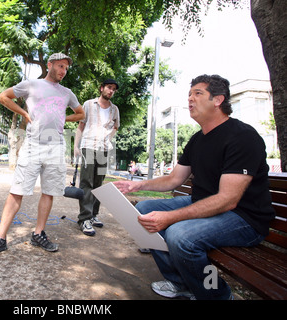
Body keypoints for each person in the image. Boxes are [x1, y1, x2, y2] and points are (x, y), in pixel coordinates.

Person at [114, 74, 275, 300]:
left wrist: (170, 218)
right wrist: (136, 185)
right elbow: (173, 180)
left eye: (197, 94)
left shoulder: (243, 137)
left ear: (218, 100)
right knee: (143, 210)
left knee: (180, 235)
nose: (190, 99)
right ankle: (180, 282)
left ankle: (216, 295)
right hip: (205, 203)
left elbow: (228, 199)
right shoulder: (197, 139)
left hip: (244, 218)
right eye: (189, 94)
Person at [0, 53, 85, 259]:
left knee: (49, 191)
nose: (63, 71)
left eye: (66, 68)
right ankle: (0, 238)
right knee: (17, 190)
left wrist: (65, 118)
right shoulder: (31, 85)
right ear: (50, 65)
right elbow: (3, 97)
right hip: (33, 144)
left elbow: (81, 114)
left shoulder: (67, 93)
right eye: (60, 66)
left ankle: (38, 233)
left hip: (56, 146)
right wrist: (24, 114)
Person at [74, 79, 120, 236]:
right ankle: (84, 219)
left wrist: (108, 137)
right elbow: (80, 126)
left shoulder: (115, 109)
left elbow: (116, 126)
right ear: (101, 88)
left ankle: (93, 215)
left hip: (104, 149)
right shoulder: (88, 104)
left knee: (99, 183)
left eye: (113, 89)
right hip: (88, 146)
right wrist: (76, 146)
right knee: (86, 182)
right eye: (108, 87)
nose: (111, 91)